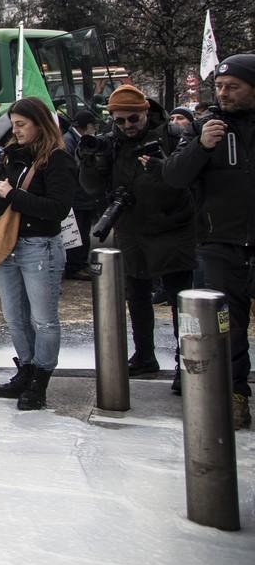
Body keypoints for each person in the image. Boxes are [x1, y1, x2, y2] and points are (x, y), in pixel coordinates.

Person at [77, 86, 196, 386]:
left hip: (172, 227)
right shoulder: (111, 144)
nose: (128, 126)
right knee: (137, 297)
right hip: (131, 228)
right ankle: (144, 355)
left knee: (180, 301)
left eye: (133, 118)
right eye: (120, 121)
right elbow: (91, 189)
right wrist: (90, 162)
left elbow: (184, 179)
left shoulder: (171, 136)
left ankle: (188, 363)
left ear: (145, 112)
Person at [163, 52, 255, 430]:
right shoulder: (205, 126)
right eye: (219, 87)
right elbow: (173, 177)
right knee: (225, 326)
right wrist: (201, 145)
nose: (224, 93)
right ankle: (234, 394)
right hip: (219, 242)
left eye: (233, 87)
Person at [0, 96, 77, 411]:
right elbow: (2, 208)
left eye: (21, 124)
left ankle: (40, 380)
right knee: (14, 317)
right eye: (13, 125)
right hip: (10, 247)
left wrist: (14, 194)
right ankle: (26, 370)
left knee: (43, 319)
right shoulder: (11, 156)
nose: (15, 131)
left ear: (39, 123)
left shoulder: (58, 159)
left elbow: (57, 209)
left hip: (40, 247)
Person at [62, 110, 101, 281]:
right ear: (87, 126)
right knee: (77, 233)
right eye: (93, 126)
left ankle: (80, 263)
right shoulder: (69, 141)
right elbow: (71, 169)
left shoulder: (75, 140)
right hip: (77, 196)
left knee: (84, 232)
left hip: (83, 197)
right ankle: (75, 266)